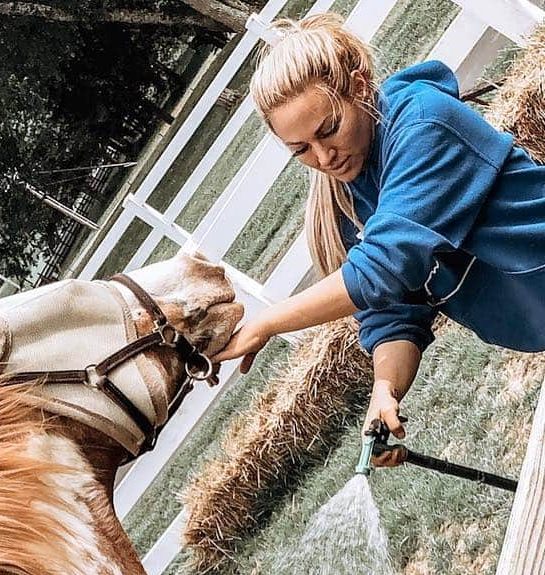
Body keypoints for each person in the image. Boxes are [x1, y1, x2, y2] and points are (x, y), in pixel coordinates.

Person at [211, 14, 545, 465]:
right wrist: (385, 390)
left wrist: (267, 322)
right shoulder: (349, 201)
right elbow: (393, 315)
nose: (323, 157)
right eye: (301, 150)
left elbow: (386, 265)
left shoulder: (425, 125)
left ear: (361, 85)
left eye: (328, 130)